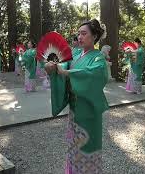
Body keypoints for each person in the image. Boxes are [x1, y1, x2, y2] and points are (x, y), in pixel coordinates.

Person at [45, 19, 108, 173]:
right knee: (74, 143)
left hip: (88, 110)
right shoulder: (75, 53)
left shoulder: (98, 57)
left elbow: (95, 73)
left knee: (88, 143)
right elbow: (63, 64)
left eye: (84, 33)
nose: (80, 37)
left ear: (94, 36)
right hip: (75, 109)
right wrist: (52, 67)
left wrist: (67, 73)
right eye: (78, 34)